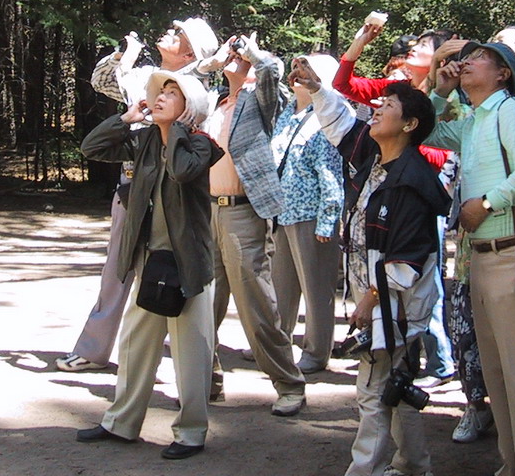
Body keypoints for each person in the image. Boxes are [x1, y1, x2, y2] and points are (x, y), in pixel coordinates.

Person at [293, 59, 450, 476]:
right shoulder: (375, 159)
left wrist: (370, 300)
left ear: (410, 125)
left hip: (395, 307)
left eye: (389, 105)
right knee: (395, 387)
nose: (378, 108)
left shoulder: (412, 180)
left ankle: (365, 470)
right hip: (383, 304)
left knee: (372, 392)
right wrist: (317, 88)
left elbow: (409, 257)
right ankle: (414, 465)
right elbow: (341, 125)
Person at [426, 42, 515, 476]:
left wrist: (485, 204)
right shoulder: (473, 120)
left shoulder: (513, 111)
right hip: (483, 260)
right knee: (499, 375)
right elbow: (425, 133)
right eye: (464, 57)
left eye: (479, 57)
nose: (466, 62)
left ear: (504, 73)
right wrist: (440, 90)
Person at [75, 71, 222, 460]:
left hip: (187, 266)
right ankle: (120, 423)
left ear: (189, 109)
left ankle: (191, 432)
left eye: (172, 94)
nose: (160, 97)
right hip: (150, 262)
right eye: (160, 92)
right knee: (135, 344)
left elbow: (181, 171)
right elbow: (92, 147)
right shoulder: (143, 141)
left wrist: (176, 131)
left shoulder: (200, 144)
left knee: (191, 352)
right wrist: (126, 119)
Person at [57, 18, 218, 372]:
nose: (169, 33)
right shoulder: (146, 76)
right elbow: (101, 82)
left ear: (190, 53)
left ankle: (201, 371)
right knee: (117, 270)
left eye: (179, 34)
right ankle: (94, 350)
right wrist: (124, 55)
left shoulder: (198, 88)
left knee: (181, 278)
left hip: (174, 198)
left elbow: (192, 142)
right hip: (132, 190)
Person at [199, 32, 308, 414]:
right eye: (231, 52)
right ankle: (207, 383)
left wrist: (252, 52)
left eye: (238, 53)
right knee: (202, 306)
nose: (233, 55)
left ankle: (289, 385)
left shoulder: (260, 100)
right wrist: (211, 62)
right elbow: (183, 88)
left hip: (243, 213)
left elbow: (272, 71)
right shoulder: (213, 101)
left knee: (256, 307)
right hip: (206, 211)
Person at [269, 53, 345, 374]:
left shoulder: (329, 116)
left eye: (306, 68)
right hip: (282, 213)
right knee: (281, 286)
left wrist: (328, 219)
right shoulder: (288, 113)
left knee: (316, 289)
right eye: (296, 67)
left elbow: (331, 172)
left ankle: (315, 352)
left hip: (313, 215)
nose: (298, 73)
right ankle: (277, 345)